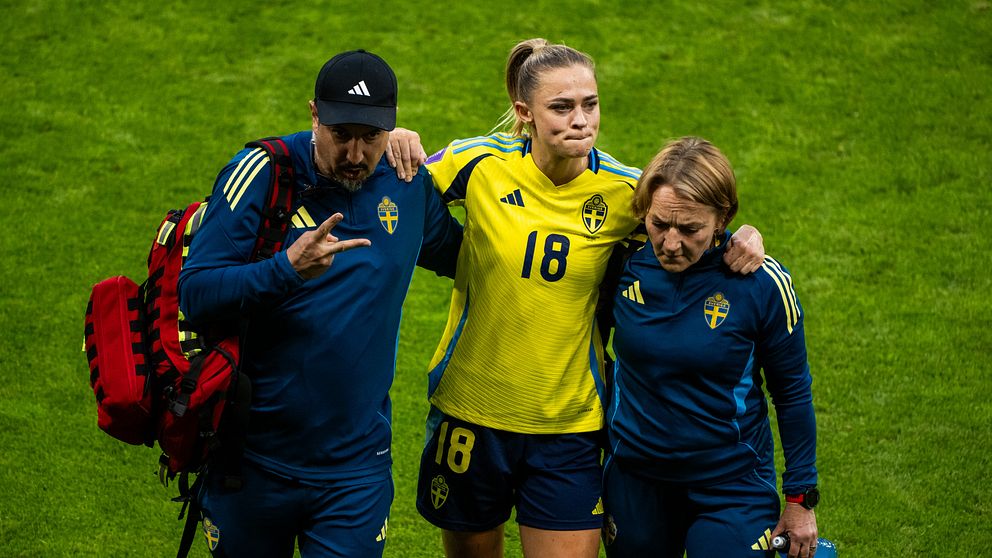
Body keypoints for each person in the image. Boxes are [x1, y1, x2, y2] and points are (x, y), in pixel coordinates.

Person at [388, 39, 766, 558]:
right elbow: (399, 185)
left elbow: (692, 228)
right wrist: (399, 141)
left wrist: (746, 235)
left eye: (590, 104)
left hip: (570, 423)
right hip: (471, 410)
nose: (581, 120)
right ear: (525, 113)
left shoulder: (625, 191)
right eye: (562, 107)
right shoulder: (477, 162)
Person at [177, 50, 462, 558]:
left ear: (393, 125)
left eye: (371, 136)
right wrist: (285, 269)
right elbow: (196, 293)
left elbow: (474, 258)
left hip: (356, 473)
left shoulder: (407, 184)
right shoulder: (262, 174)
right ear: (314, 115)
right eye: (340, 133)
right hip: (251, 462)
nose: (355, 153)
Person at [602, 137, 818, 558]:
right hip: (635, 480)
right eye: (659, 224)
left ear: (723, 219)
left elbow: (792, 393)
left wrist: (800, 500)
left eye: (690, 229)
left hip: (732, 485)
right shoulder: (620, 262)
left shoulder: (761, 284)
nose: (670, 243)